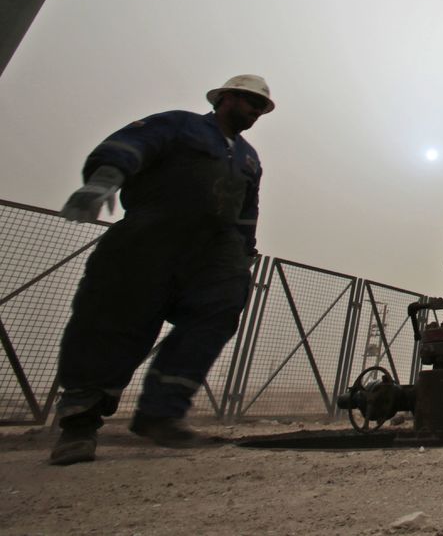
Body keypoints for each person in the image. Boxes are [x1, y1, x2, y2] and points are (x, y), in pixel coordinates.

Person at [49, 75, 275, 465]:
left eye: (260, 106)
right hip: (152, 233)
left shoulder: (248, 158)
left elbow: (246, 209)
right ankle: (79, 423)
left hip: (215, 248)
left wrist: (243, 252)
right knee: (114, 319)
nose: (256, 111)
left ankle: (162, 413)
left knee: (219, 310)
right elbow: (132, 144)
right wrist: (103, 181)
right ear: (225, 98)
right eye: (249, 102)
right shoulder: (178, 125)